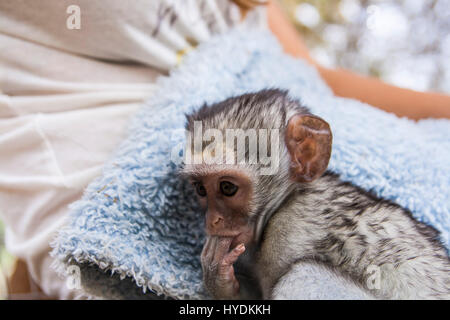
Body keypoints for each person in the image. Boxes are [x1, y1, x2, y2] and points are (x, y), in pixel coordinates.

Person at [0, 0, 448, 299]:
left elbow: (310, 72)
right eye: (202, 190)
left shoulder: (294, 229)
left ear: (305, 159)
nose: (213, 217)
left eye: (228, 187)